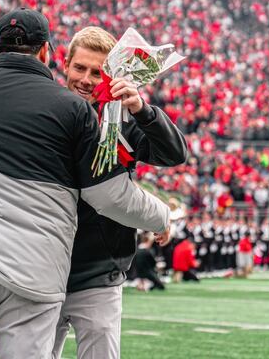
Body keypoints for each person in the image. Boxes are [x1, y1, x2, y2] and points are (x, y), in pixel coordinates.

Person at [0, 8, 169, 359]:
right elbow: (108, 195)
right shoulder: (73, 108)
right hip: (33, 261)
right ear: (47, 53)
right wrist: (161, 215)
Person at [52, 27, 187, 359]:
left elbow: (174, 154)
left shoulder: (123, 120)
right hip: (44, 266)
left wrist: (142, 110)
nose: (85, 79)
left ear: (110, 74)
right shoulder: (44, 113)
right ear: (65, 64)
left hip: (100, 269)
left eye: (96, 72)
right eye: (79, 68)